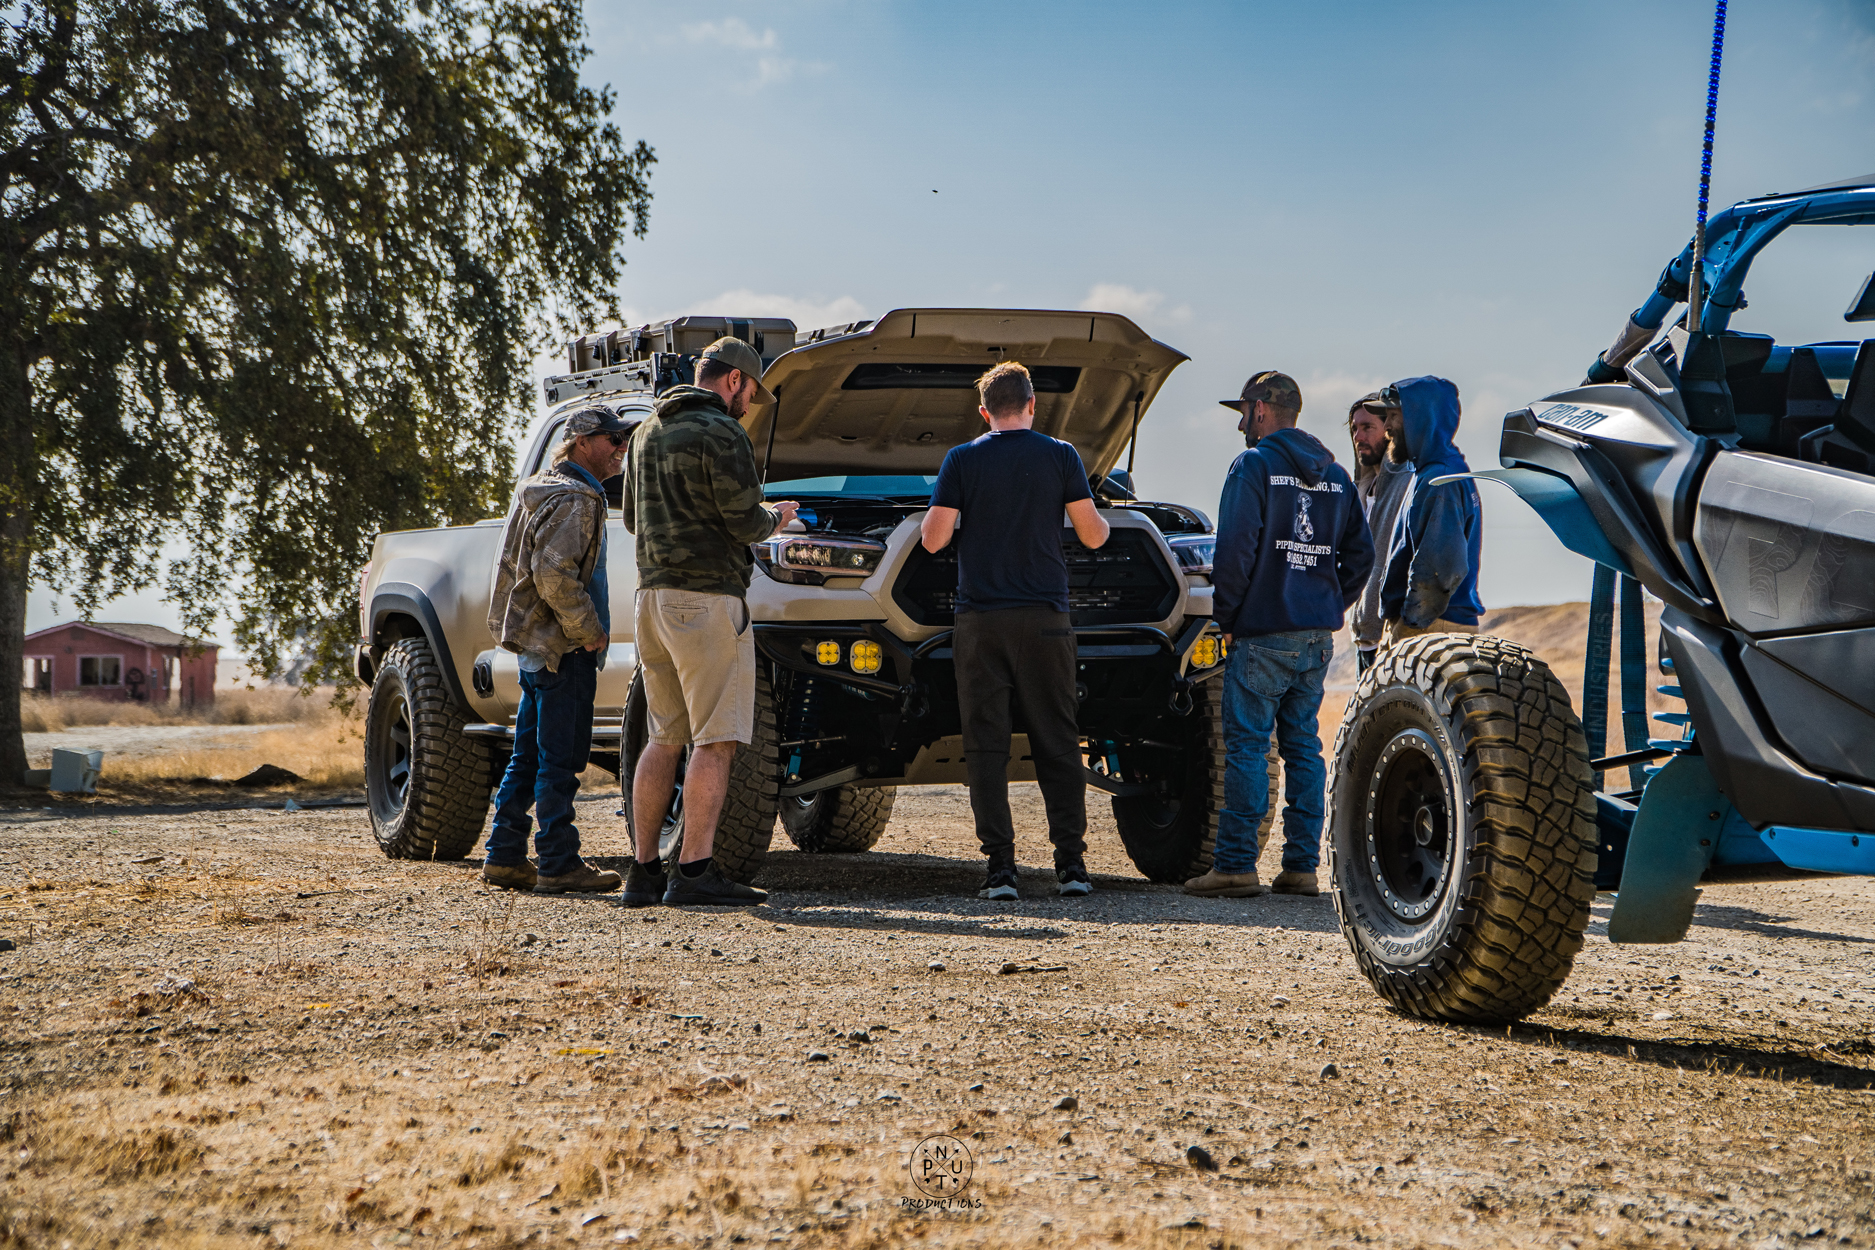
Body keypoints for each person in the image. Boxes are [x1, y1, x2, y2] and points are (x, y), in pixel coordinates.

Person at [920, 361, 1110, 901]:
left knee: (987, 745)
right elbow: (1093, 536)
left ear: (984, 412)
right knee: (1057, 740)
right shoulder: (1061, 454)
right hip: (1047, 620)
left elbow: (934, 541)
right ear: (1032, 405)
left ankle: (1000, 872)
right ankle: (1071, 868)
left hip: (981, 622)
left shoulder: (961, 459)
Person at [621, 337, 799, 907]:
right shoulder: (723, 434)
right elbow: (745, 522)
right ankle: (694, 873)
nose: (749, 404)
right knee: (716, 741)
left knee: (663, 737)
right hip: (706, 601)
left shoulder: (646, 430)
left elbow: (629, 518)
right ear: (734, 382)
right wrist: (779, 516)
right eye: (750, 392)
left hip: (650, 600)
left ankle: (644, 872)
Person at [1185, 372, 1373, 900]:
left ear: (1263, 410)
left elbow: (1236, 550)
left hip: (1263, 631)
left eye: (1244, 411)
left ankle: (1236, 866)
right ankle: (1300, 868)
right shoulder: (1336, 474)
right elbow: (1361, 555)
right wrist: (1328, 602)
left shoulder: (1254, 465)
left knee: (1246, 747)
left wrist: (1227, 615)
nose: (1242, 422)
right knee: (1302, 748)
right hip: (1314, 636)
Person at [483, 407, 632, 895]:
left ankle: (504, 857)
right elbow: (553, 575)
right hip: (563, 650)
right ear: (584, 441)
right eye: (613, 438)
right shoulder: (576, 498)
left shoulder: (546, 487)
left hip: (536, 650)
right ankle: (557, 862)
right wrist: (588, 630)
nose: (620, 447)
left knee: (527, 755)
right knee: (560, 759)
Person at [1376, 376, 1483, 648]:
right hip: (1434, 624)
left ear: (1420, 418)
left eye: (1393, 416)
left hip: (1431, 627)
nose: (1386, 427)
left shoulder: (1441, 480)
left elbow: (1439, 569)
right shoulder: (1436, 471)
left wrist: (1408, 627)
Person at [1348, 391, 1415, 674]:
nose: (1358, 437)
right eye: (1354, 429)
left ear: (1388, 429)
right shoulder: (1361, 490)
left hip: (1393, 637)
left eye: (1367, 427)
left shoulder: (1407, 481)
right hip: (1364, 638)